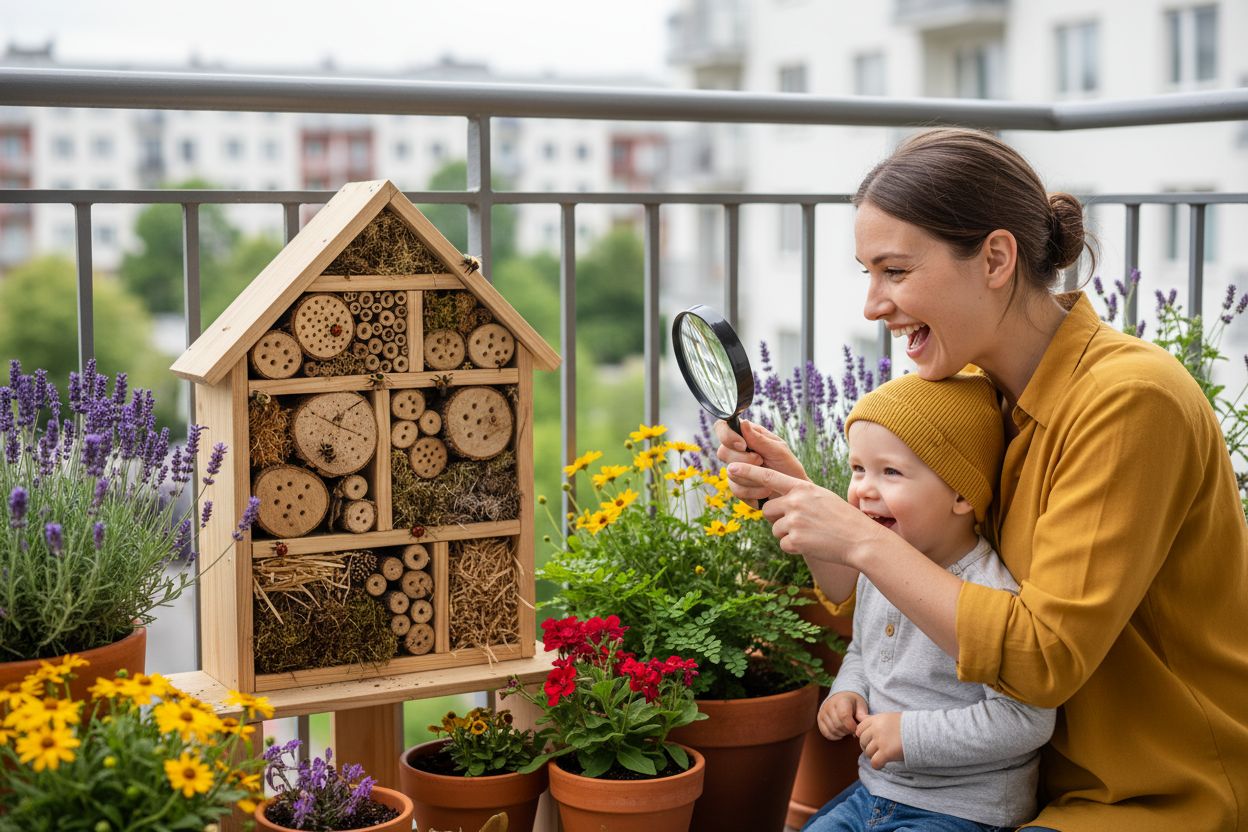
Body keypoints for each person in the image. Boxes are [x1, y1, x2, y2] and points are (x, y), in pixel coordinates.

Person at [717, 128, 1248, 832]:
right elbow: (890, 601)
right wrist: (802, 494)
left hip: (1155, 797)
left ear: (996, 258)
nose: (872, 304)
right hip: (1012, 791)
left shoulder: (1129, 400)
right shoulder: (977, 396)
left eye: (895, 271)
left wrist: (863, 539)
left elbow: (1042, 659)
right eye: (868, 273)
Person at [807, 370, 1054, 832]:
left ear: (960, 493)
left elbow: (1026, 721)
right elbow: (863, 650)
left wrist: (910, 736)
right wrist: (848, 691)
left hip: (964, 810)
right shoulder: (878, 564)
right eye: (858, 469)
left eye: (890, 472)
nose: (864, 489)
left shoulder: (988, 593)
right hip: (875, 792)